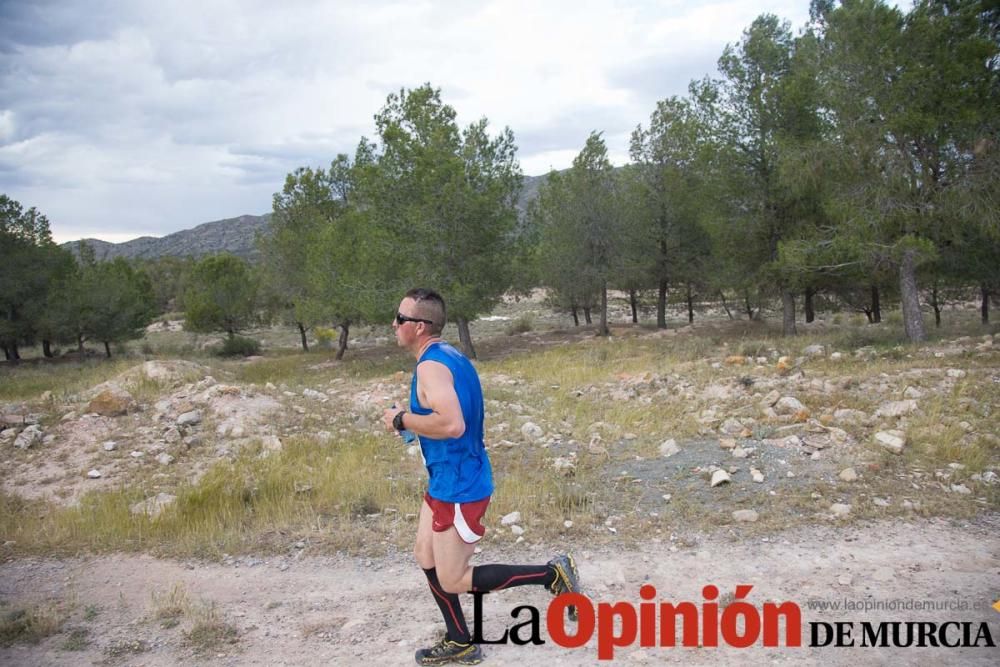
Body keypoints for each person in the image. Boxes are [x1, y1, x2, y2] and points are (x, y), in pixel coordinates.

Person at [382, 288, 580, 666]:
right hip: (449, 478)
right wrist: (408, 425)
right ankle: (460, 640)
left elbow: (453, 424)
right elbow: (453, 420)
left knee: (454, 578)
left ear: (419, 326)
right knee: (425, 554)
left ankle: (551, 574)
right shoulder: (449, 356)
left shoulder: (430, 366)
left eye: (400, 318)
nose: (395, 324)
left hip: (459, 485)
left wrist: (401, 419)